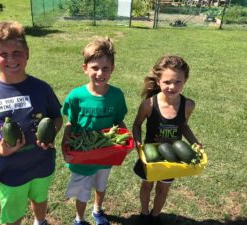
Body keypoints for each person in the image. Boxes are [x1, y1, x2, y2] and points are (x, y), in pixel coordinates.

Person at [0, 21, 63, 225]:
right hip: (10, 171)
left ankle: (40, 221)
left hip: (42, 163)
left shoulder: (41, 88)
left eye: (17, 52)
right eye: (3, 54)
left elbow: (56, 117)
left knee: (40, 197)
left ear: (27, 53)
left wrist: (51, 131)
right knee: (13, 213)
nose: (11, 59)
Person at [61, 37, 128, 225]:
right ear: (85, 68)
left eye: (106, 68)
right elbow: (70, 122)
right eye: (95, 68)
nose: (100, 73)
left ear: (112, 68)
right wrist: (64, 142)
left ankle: (97, 211)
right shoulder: (76, 96)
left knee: (101, 185)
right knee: (82, 190)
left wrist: (126, 137)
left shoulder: (116, 95)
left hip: (106, 151)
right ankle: (79, 218)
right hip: (83, 154)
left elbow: (118, 121)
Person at [132, 55, 202, 225]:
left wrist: (194, 141)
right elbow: (136, 125)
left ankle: (156, 216)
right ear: (158, 81)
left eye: (178, 82)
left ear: (185, 80)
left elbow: (183, 126)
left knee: (163, 190)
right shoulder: (148, 104)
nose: (172, 86)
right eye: (167, 82)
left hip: (172, 157)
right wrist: (138, 143)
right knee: (147, 186)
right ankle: (144, 213)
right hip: (149, 156)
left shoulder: (188, 105)